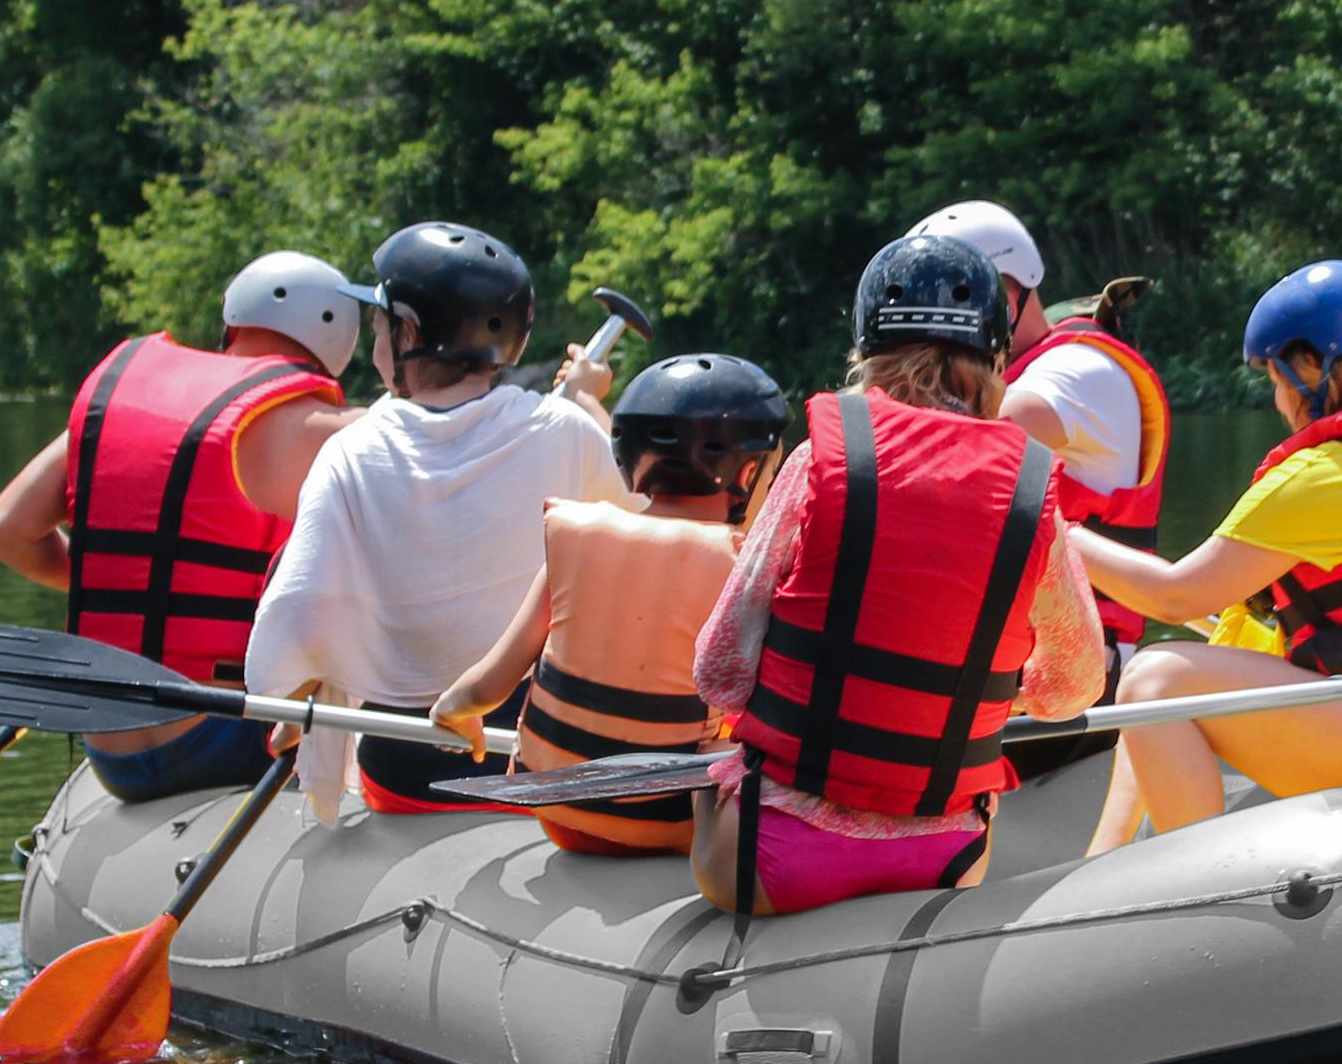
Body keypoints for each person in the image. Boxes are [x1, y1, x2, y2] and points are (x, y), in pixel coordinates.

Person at [691, 232, 1111, 914]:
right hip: (943, 866)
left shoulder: (819, 463)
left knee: (710, 772)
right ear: (997, 359)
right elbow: (1076, 687)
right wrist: (979, 694)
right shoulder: (1032, 494)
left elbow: (718, 672)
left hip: (771, 865)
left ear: (866, 351)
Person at [1068, 261, 1342, 852]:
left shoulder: (1334, 471)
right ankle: (1103, 861)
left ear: (1310, 365)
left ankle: (1202, 884)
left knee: (1155, 680)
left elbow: (1173, 596)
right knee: (1185, 672)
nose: (1280, 401)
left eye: (1276, 379)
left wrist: (1058, 531)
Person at [244, 222, 630, 817]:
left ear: (408, 332)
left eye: (379, 323)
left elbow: (294, 616)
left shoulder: (353, 449)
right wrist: (586, 402)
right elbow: (643, 518)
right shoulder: (566, 429)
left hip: (405, 771)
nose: (374, 336)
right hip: (536, 760)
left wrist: (289, 703)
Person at [0, 249, 367, 802]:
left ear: (232, 322)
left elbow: (3, 532)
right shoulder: (333, 429)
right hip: (224, 741)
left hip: (108, 748)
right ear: (342, 345)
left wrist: (127, 592)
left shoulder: (124, 401)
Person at [429, 353, 789, 858]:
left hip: (557, 814)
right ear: (748, 474)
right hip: (670, 825)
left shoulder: (576, 542)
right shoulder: (741, 569)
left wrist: (454, 710)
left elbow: (488, 686)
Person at [914, 201, 1173, 658]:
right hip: (1014, 655)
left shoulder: (1078, 369)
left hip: (1082, 667)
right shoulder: (1031, 368)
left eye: (949, 304)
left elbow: (968, 452)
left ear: (1006, 296)